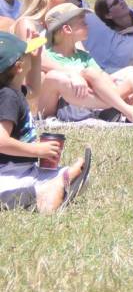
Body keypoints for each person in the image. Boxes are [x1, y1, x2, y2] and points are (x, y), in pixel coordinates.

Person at [0, 32, 91, 212]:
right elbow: (1, 141)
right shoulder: (7, 97)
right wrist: (37, 150)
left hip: (23, 170)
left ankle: (51, 188)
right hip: (7, 173)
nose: (30, 54)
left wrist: (36, 59)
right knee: (12, 191)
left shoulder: (13, 90)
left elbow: (34, 90)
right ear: (19, 66)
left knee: (81, 180)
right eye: (26, 53)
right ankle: (40, 195)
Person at [38, 4, 133, 125]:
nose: (87, 25)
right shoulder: (47, 54)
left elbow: (102, 79)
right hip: (67, 107)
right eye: (82, 23)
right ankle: (129, 111)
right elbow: (38, 63)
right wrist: (74, 75)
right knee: (61, 75)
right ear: (67, 29)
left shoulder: (82, 56)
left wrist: (111, 84)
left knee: (132, 72)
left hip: (92, 101)